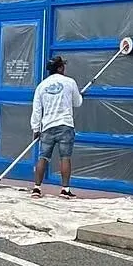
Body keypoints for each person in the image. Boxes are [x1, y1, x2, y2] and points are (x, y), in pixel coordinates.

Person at [29, 55, 83, 199]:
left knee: (43, 157)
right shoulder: (70, 82)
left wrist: (36, 128)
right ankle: (65, 190)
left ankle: (36, 188)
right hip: (65, 125)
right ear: (59, 68)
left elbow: (37, 109)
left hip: (47, 126)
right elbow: (77, 103)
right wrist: (79, 96)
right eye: (63, 66)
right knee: (65, 157)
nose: (64, 68)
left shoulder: (41, 86)